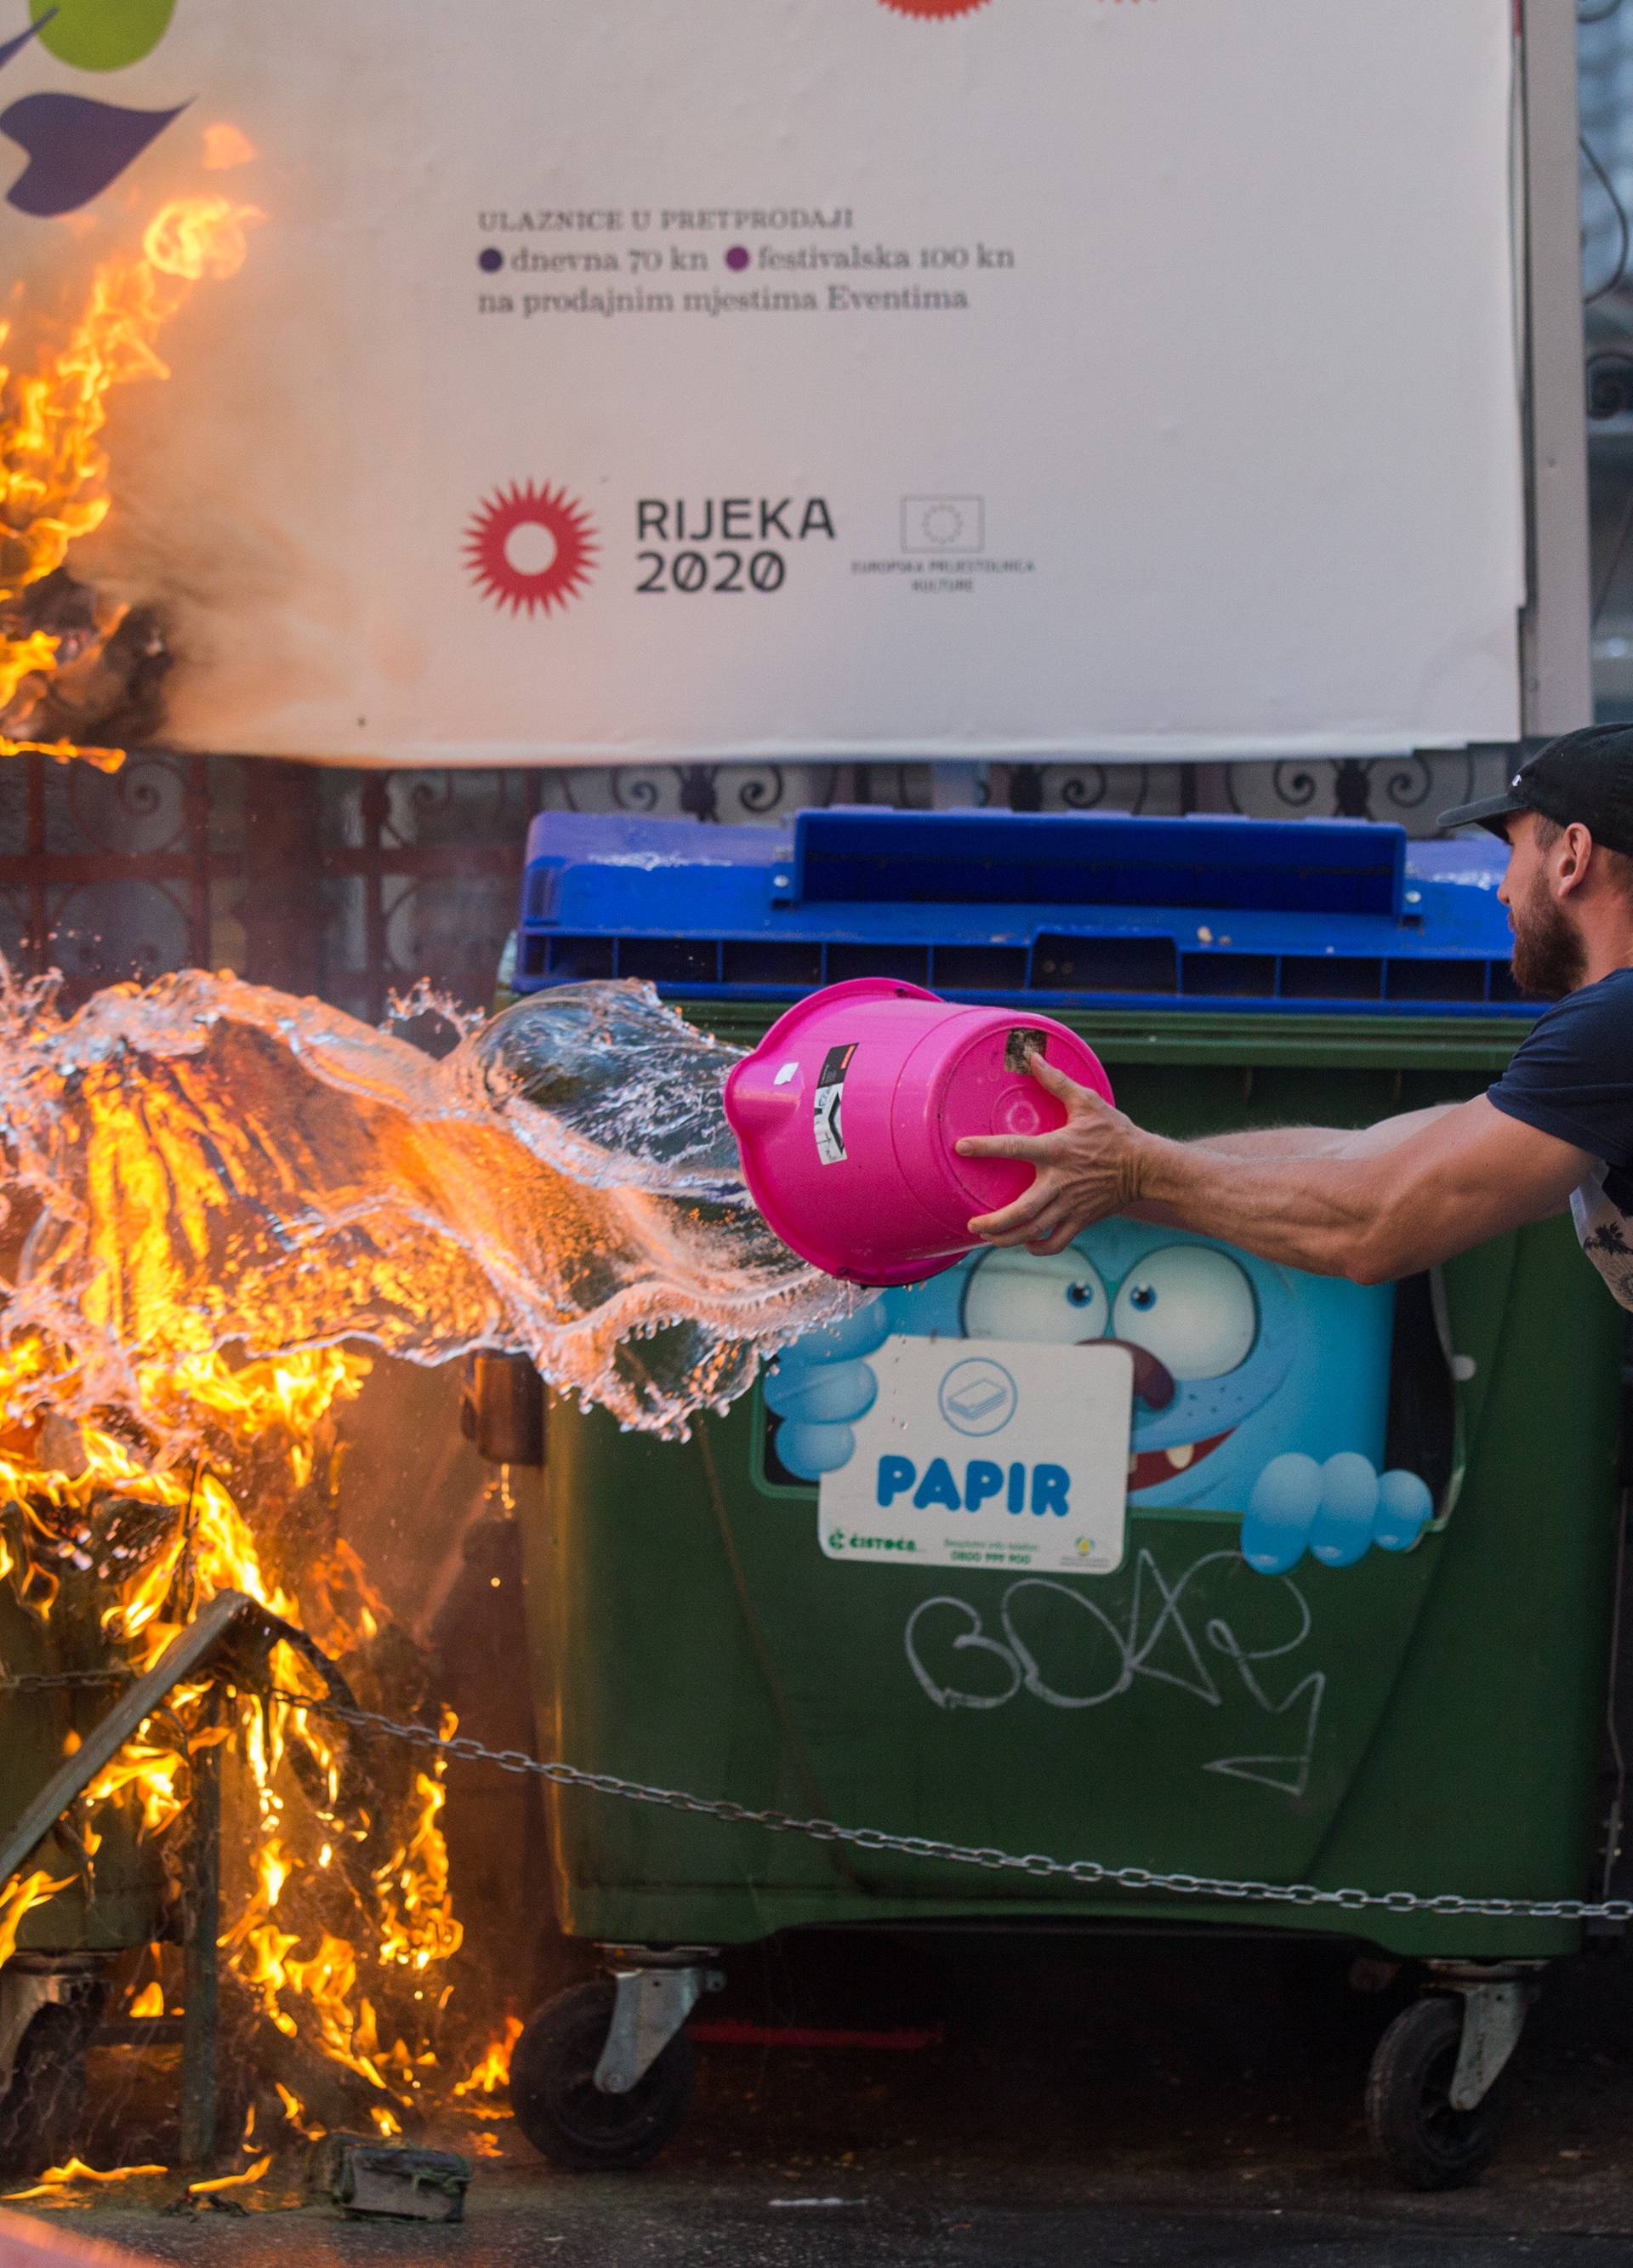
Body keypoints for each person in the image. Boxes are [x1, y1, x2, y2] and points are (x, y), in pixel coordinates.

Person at [956, 726, 1633, 1308]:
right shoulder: (1605, 1043)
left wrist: (1135, 1169)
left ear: (1571, 856)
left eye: (1511, 852)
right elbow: (1360, 1157)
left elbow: (1371, 1222)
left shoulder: (1612, 1026)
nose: (1502, 888)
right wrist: (1108, 1169)